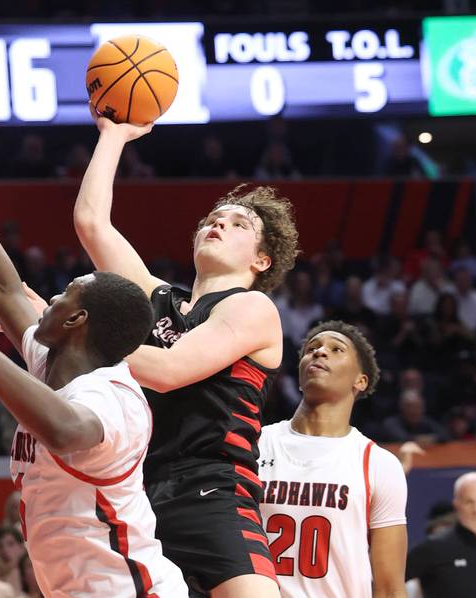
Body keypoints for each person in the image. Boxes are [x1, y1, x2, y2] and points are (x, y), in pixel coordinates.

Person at [0, 84, 187, 597]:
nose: (49, 298)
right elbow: (0, 282)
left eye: (65, 294)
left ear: (78, 321)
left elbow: (63, 429)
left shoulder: (114, 398)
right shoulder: (51, 359)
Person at [70, 104, 299, 597]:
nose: (218, 225)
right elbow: (92, 223)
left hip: (212, 490)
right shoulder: (159, 300)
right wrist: (113, 135)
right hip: (139, 493)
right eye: (212, 220)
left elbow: (171, 370)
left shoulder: (253, 307)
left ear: (263, 259)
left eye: (238, 224)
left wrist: (77, 337)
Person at [258, 321, 408, 597]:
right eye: (311, 348)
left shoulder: (378, 463)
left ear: (360, 380)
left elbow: (389, 588)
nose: (319, 352)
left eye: (336, 349)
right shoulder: (255, 442)